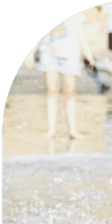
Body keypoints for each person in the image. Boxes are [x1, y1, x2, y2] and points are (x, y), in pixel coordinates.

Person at [25, 11, 96, 139]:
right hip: (49, 53)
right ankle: (51, 130)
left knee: (70, 93)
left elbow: (80, 33)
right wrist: (30, 53)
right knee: (51, 91)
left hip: (70, 54)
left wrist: (88, 54)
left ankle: (73, 131)